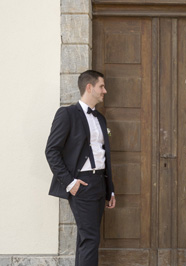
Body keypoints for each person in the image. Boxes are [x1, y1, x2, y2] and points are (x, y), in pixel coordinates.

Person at [45, 70, 116, 266]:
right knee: (90, 239)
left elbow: (103, 155)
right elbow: (51, 151)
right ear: (89, 87)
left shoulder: (100, 118)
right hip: (82, 184)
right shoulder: (67, 114)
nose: (105, 91)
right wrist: (70, 183)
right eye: (101, 86)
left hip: (99, 183)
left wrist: (110, 189)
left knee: (86, 239)